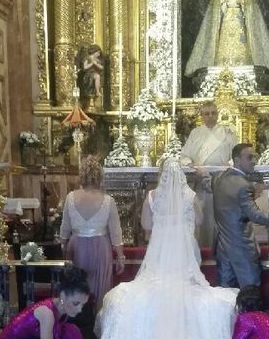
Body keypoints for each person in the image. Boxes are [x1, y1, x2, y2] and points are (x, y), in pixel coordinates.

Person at [96, 158, 239, 339]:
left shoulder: (152, 196)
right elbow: (200, 221)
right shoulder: (189, 195)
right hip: (185, 254)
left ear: (161, 173)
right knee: (189, 286)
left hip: (160, 254)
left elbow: (146, 224)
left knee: (150, 287)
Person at [213, 143, 269, 288]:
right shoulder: (243, 185)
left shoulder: (218, 178)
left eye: (255, 157)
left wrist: (201, 175)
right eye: (250, 157)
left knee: (224, 296)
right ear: (237, 160)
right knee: (250, 294)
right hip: (242, 249)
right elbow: (256, 215)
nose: (254, 161)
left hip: (222, 249)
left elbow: (208, 184)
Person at [59, 156, 124, 306]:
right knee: (99, 289)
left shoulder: (70, 197)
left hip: (76, 247)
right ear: (99, 176)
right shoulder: (108, 200)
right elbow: (116, 232)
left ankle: (77, 320)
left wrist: (63, 248)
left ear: (82, 175)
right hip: (100, 247)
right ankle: (96, 318)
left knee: (76, 286)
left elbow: (65, 229)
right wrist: (120, 257)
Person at [180, 100, 237, 246]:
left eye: (213, 113)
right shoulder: (196, 133)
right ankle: (203, 248)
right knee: (203, 215)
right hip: (201, 179)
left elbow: (236, 156)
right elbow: (184, 156)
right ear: (202, 116)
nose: (210, 116)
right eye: (207, 114)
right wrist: (191, 165)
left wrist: (227, 167)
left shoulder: (227, 132)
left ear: (218, 114)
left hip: (222, 180)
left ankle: (222, 247)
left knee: (221, 215)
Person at [0, 266, 89, 339]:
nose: (80, 310)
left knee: (71, 331)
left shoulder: (61, 307)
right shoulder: (47, 314)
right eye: (76, 303)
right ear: (63, 295)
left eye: (83, 304)